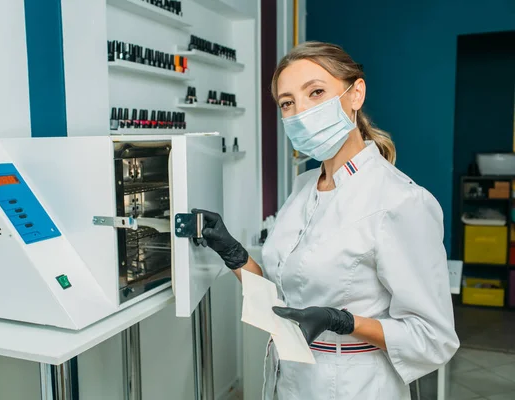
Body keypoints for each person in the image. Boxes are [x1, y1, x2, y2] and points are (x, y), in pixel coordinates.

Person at [193, 41, 459, 399]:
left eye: (316, 93)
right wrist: (235, 256)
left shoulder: (400, 201)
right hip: (289, 381)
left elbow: (434, 338)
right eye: (287, 103)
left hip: (355, 387)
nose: (300, 112)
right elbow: (286, 298)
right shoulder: (303, 187)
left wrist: (343, 321)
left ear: (355, 93)